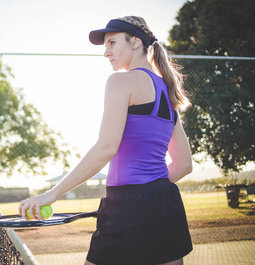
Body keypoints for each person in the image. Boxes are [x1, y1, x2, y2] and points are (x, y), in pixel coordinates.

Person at [18, 16, 193, 265]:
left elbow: (106, 147)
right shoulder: (168, 92)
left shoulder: (121, 82)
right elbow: (184, 164)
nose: (106, 52)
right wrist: (150, 191)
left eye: (112, 43)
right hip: (166, 203)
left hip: (127, 206)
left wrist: (52, 194)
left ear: (134, 42)